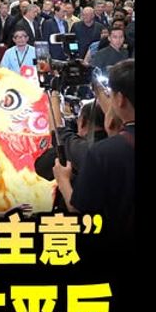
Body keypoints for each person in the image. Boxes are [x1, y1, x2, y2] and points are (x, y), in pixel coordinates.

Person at [53, 59, 135, 237]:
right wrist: (95, 83)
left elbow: (79, 211)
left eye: (111, 94)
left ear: (120, 99)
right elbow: (115, 121)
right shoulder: (119, 142)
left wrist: (63, 180)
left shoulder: (103, 154)